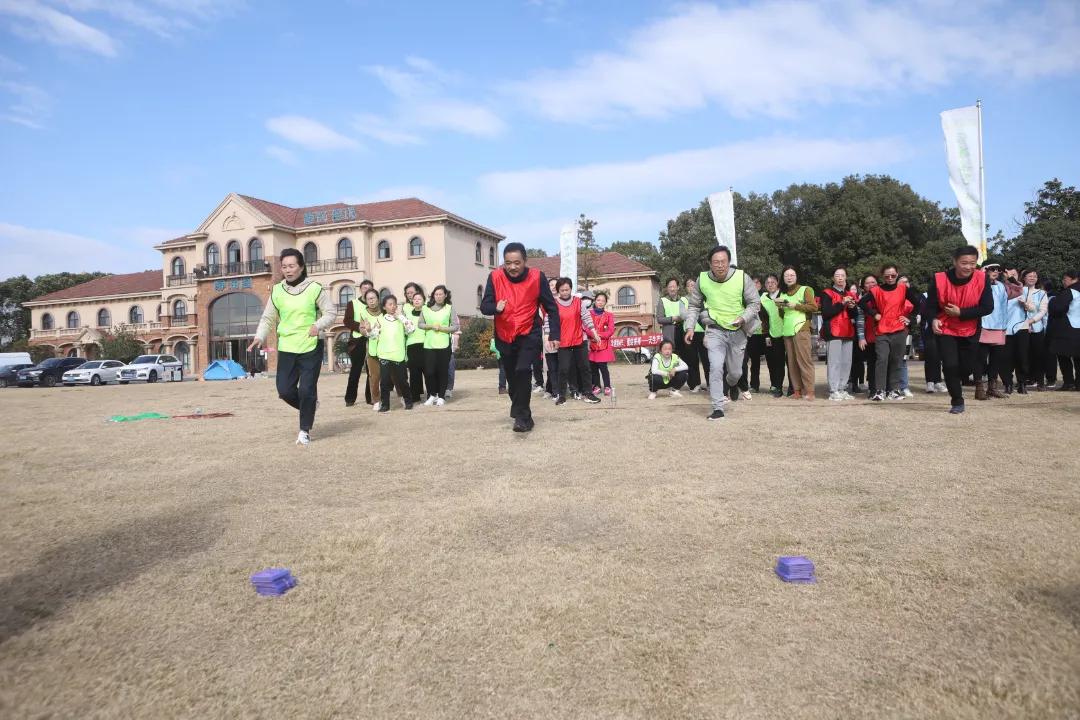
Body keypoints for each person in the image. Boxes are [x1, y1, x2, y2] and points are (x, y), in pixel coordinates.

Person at [248, 248, 336, 446]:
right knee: (285, 391)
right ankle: (310, 405)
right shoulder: (277, 290)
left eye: (292, 266)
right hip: (287, 346)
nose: (288, 270)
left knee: (306, 390)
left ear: (301, 267)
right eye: (284, 266)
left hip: (310, 346)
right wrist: (259, 336)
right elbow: (268, 317)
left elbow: (330, 312)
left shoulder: (314, 288)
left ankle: (304, 430)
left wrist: (317, 326)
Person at [480, 242, 561, 432]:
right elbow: (485, 306)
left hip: (529, 332)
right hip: (504, 334)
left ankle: (522, 419)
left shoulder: (537, 277)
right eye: (508, 263)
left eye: (517, 262)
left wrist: (555, 334)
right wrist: (495, 307)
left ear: (525, 261)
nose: (512, 267)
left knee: (523, 371)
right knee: (512, 378)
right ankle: (523, 412)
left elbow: (551, 308)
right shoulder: (495, 276)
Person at [683, 245, 761, 420]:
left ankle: (732, 384)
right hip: (715, 330)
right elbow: (694, 305)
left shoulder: (742, 277)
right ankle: (718, 408)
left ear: (729, 262)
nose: (720, 265)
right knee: (715, 367)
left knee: (735, 373)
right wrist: (690, 327)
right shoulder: (702, 279)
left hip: (738, 330)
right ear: (709, 264)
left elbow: (755, 303)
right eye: (716, 262)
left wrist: (742, 318)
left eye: (723, 262)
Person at [924, 245, 995, 413]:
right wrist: (933, 319)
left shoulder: (982, 278)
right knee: (950, 365)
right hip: (946, 328)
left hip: (970, 328)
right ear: (954, 261)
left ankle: (959, 375)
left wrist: (961, 313)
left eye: (972, 263)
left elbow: (987, 307)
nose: (969, 267)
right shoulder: (939, 279)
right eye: (964, 263)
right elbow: (930, 306)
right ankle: (957, 401)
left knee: (966, 367)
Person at [859, 264, 921, 401]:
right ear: (882, 276)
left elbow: (918, 304)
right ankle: (879, 390)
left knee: (897, 360)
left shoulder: (903, 288)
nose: (890, 278)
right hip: (882, 330)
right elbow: (862, 302)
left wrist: (910, 318)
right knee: (882, 359)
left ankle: (894, 390)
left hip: (899, 330)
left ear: (897, 274)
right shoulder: (876, 290)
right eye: (887, 275)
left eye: (893, 275)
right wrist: (874, 313)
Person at [550, 277, 602, 405]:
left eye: (567, 290)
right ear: (558, 291)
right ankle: (561, 395)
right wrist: (549, 338)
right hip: (563, 342)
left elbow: (586, 318)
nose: (565, 292)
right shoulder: (554, 304)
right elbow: (550, 322)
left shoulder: (578, 302)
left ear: (571, 289)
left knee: (585, 367)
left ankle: (588, 393)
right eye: (562, 290)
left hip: (580, 340)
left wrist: (595, 333)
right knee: (563, 369)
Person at [975, 263, 1021, 399]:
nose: (996, 272)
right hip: (983, 325)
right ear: (984, 270)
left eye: (998, 270)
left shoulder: (1002, 286)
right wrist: (981, 276)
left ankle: (992, 388)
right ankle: (979, 388)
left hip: (999, 326)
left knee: (996, 359)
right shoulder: (977, 283)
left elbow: (1018, 291)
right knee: (980, 359)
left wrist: (1010, 278)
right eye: (992, 269)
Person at [1003, 268, 1048, 395]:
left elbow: (1036, 309)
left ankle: (1022, 383)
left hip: (1023, 327)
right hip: (1006, 328)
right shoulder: (1002, 289)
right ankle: (1008, 384)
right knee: (1007, 358)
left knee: (1023, 357)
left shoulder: (1027, 290)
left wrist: (1026, 306)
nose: (1012, 276)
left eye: (1014, 274)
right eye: (1009, 274)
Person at [777, 266, 818, 400]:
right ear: (783, 278)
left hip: (801, 328)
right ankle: (797, 390)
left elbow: (813, 307)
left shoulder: (805, 289)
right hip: (787, 330)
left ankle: (810, 391)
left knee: (804, 361)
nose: (789, 277)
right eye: (786, 275)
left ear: (796, 276)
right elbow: (782, 315)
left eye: (791, 275)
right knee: (792, 362)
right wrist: (780, 307)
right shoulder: (782, 294)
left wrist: (796, 306)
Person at [819, 267, 858, 401]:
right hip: (834, 331)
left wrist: (852, 308)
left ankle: (842, 388)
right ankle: (833, 390)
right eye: (837, 275)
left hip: (848, 331)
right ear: (833, 278)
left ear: (846, 277)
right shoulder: (827, 293)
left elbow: (855, 315)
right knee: (834, 362)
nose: (840, 278)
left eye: (843, 275)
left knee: (846, 362)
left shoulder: (850, 294)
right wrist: (842, 303)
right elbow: (826, 313)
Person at [373, 294, 414, 413]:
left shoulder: (401, 319)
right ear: (384, 307)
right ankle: (385, 405)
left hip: (398, 356)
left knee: (402, 381)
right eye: (390, 304)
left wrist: (401, 317)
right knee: (384, 382)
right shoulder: (380, 320)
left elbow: (411, 329)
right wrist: (369, 330)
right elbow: (373, 336)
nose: (393, 306)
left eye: (394, 304)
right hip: (384, 355)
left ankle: (408, 402)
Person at [420, 285, 458, 406]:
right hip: (429, 345)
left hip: (443, 344)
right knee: (430, 372)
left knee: (442, 371)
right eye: (436, 294)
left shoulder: (449, 308)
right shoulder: (425, 308)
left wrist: (442, 328)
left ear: (445, 295)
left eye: (441, 294)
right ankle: (432, 395)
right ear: (433, 296)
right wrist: (430, 326)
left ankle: (441, 396)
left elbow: (455, 326)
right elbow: (420, 324)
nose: (438, 296)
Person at [342, 279, 375, 407]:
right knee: (355, 371)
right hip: (357, 341)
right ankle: (350, 398)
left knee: (371, 371)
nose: (366, 290)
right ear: (360, 289)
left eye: (369, 288)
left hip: (372, 339)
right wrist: (359, 327)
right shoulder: (353, 303)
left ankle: (371, 397)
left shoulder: (374, 305)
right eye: (364, 288)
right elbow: (347, 320)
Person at [1048, 269, 1080, 390]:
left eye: (1065, 279)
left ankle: (1068, 382)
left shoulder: (1070, 291)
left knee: (1063, 356)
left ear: (1073, 279)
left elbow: (1058, 308)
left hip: (1067, 328)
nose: (1063, 281)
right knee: (1078, 358)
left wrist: (1052, 302)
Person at [356, 288, 384, 411]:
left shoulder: (385, 310)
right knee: (374, 376)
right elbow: (361, 329)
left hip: (388, 348)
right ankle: (376, 400)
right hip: (372, 349)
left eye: (373, 298)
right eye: (368, 299)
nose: (371, 301)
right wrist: (367, 331)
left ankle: (401, 396)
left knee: (393, 375)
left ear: (378, 298)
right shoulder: (364, 313)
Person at [759, 273, 786, 397]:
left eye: (773, 282)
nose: (770, 285)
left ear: (777, 283)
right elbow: (762, 317)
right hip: (769, 334)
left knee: (783, 362)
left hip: (786, 333)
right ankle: (775, 385)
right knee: (771, 361)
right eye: (768, 283)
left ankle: (788, 387)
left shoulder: (784, 295)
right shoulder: (763, 298)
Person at [739, 276, 767, 394]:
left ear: (760, 285)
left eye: (757, 283)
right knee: (747, 361)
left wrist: (760, 308)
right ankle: (748, 385)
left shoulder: (765, 297)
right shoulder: (745, 298)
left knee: (761, 361)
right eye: (752, 283)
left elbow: (767, 315)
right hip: (749, 333)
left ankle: (762, 385)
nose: (755, 285)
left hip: (763, 333)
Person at [684, 277, 709, 392]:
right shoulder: (683, 300)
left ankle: (710, 384)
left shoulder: (705, 300)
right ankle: (695, 384)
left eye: (694, 285)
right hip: (690, 333)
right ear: (686, 288)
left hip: (704, 333)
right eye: (689, 285)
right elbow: (683, 315)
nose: (691, 287)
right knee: (692, 360)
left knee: (707, 360)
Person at [588, 291, 616, 396]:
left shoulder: (609, 315)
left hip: (603, 345)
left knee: (603, 367)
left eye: (603, 301)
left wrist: (599, 335)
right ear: (595, 301)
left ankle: (607, 386)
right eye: (598, 300)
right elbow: (585, 327)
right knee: (593, 367)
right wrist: (593, 335)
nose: (600, 302)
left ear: (605, 303)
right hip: (591, 345)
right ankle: (597, 386)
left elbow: (611, 330)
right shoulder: (589, 314)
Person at [402, 289, 427, 403]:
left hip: (426, 344)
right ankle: (415, 395)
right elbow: (405, 330)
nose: (416, 301)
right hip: (411, 345)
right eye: (415, 299)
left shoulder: (427, 312)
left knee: (428, 371)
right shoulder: (408, 314)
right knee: (414, 372)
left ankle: (431, 394)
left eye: (419, 299)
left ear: (423, 301)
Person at [543, 277, 560, 398]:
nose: (553, 287)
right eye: (551, 285)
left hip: (559, 335)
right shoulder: (543, 300)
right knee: (549, 366)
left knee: (560, 365)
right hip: (545, 333)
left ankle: (556, 390)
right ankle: (550, 389)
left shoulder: (562, 301)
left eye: (555, 285)